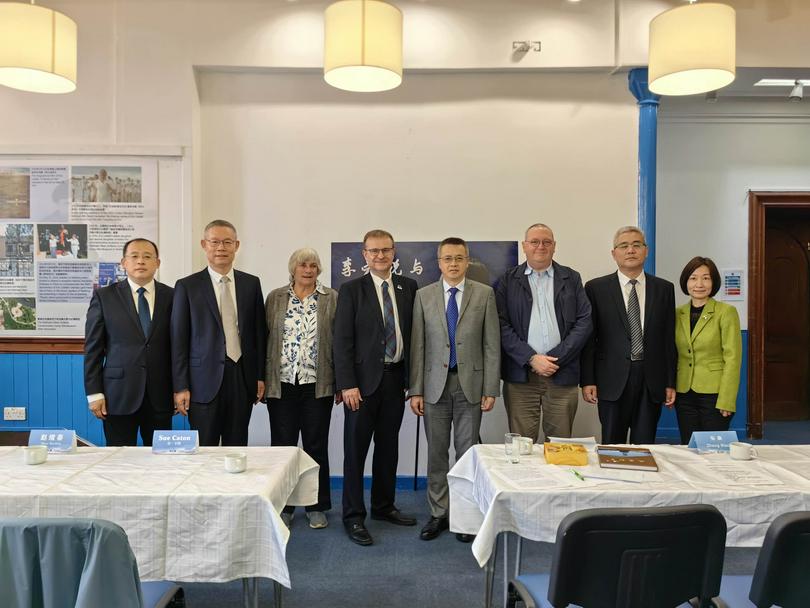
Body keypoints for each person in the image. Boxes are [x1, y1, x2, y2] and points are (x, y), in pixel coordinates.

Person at [410, 237, 500, 542]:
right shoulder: (424, 296)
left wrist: (491, 387)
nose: (453, 264)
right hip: (434, 386)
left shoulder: (484, 294)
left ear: (467, 261)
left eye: (459, 258)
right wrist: (416, 390)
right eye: (447, 258)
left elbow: (491, 345)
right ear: (439, 262)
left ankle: (466, 515)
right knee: (436, 454)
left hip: (470, 386)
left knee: (467, 454)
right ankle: (438, 513)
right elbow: (418, 346)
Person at [333, 229, 418, 546]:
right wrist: (348, 384)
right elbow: (341, 343)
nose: (380, 256)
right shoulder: (351, 289)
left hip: (395, 380)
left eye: (386, 250)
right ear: (364, 255)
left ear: (394, 252)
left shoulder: (407, 287)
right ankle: (353, 516)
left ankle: (383, 506)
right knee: (355, 452)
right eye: (374, 251)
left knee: (388, 448)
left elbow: (414, 337)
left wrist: (414, 382)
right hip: (362, 386)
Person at [171, 220, 267, 446]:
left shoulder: (251, 284)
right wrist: (181, 386)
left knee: (237, 445)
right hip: (202, 381)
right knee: (204, 448)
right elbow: (179, 340)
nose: (221, 248)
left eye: (227, 242)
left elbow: (259, 333)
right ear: (204, 245)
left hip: (242, 377)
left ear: (237, 245)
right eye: (215, 242)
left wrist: (260, 376)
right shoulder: (187, 286)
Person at [580, 226, 677, 444]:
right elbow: (589, 340)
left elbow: (668, 340)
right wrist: (588, 380)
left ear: (646, 250)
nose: (630, 250)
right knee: (612, 444)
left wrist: (670, 381)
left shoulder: (664, 289)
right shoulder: (596, 288)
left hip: (651, 378)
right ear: (614, 253)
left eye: (636, 245)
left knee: (645, 444)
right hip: (610, 379)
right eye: (624, 246)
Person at [496, 223, 592, 441]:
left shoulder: (571, 278)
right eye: (535, 242)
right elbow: (500, 325)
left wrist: (555, 358)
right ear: (524, 246)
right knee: (522, 446)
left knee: (559, 445)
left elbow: (584, 321)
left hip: (562, 374)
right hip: (521, 377)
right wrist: (531, 358)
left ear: (554, 246)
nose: (541, 246)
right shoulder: (508, 280)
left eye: (546, 242)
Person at [265, 248, 339, 529]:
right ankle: (284, 505)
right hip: (282, 383)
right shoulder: (276, 297)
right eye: (302, 265)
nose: (307, 270)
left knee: (315, 446)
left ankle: (316, 506)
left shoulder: (331, 298)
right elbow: (266, 339)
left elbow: (340, 342)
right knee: (282, 448)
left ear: (318, 270)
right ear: (292, 268)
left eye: (312, 265)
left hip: (317, 384)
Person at [83, 238, 174, 446]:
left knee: (164, 461)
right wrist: (94, 393)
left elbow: (179, 348)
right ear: (123, 263)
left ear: (157, 263)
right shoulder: (104, 297)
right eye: (134, 256)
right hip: (117, 396)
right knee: (119, 460)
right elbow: (93, 350)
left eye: (147, 256)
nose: (140, 261)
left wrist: (180, 388)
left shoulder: (173, 296)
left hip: (160, 394)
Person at [675, 256, 742, 444]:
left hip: (714, 395)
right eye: (693, 278)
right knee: (689, 447)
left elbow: (733, 358)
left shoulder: (726, 312)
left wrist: (727, 399)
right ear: (685, 281)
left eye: (706, 278)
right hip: (684, 394)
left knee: (713, 450)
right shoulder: (677, 313)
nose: (699, 284)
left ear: (714, 282)